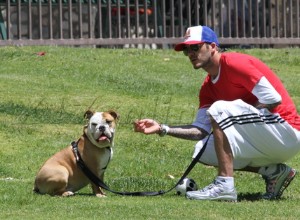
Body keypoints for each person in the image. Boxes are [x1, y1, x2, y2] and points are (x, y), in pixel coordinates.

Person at [133, 25, 300, 202]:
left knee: (220, 109)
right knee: (202, 150)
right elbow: (200, 131)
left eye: (195, 47)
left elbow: (274, 99)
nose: (190, 53)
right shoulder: (207, 88)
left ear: (213, 47)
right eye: (186, 50)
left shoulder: (234, 63)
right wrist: (162, 128)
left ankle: (224, 185)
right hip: (265, 139)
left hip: (287, 132)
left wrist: (235, 118)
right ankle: (274, 172)